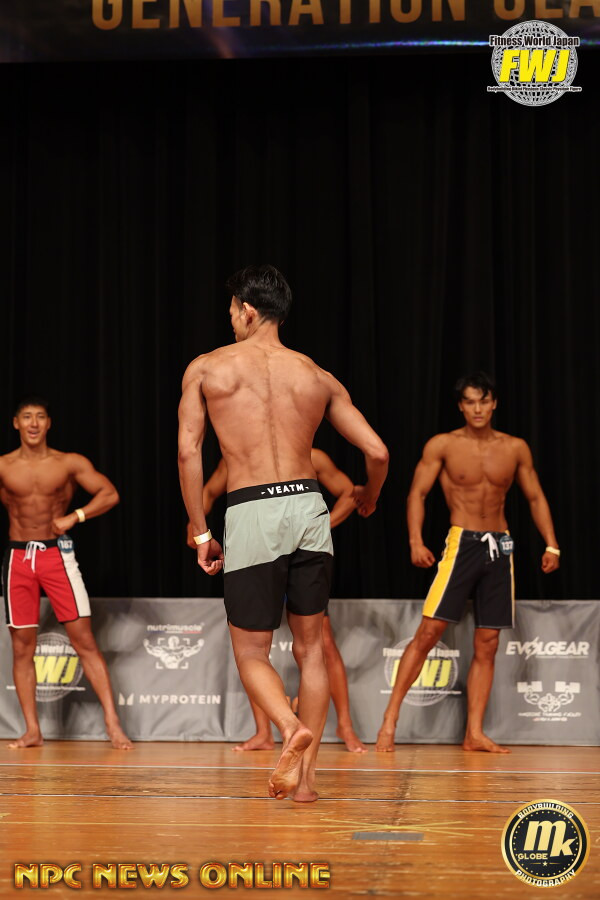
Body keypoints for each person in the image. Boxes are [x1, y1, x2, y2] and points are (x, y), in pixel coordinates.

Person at [178, 265, 388, 801]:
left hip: (253, 509)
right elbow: (377, 452)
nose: (230, 320)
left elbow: (188, 452)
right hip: (309, 506)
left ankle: (290, 728)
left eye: (232, 311)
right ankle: (307, 783)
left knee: (252, 651)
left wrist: (201, 533)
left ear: (248, 310)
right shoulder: (316, 375)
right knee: (311, 649)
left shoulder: (208, 367)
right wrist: (370, 496)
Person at [375, 371, 559, 755]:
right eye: (470, 401)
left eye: (484, 401)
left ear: (494, 404)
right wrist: (415, 541)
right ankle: (389, 720)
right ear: (461, 406)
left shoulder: (515, 448)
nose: (478, 409)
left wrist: (552, 545)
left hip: (501, 546)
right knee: (429, 632)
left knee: (488, 642)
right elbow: (417, 494)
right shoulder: (443, 444)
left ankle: (474, 732)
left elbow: (535, 497)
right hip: (462, 543)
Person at [194, 450, 368, 753]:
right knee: (259, 648)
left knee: (317, 644)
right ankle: (264, 732)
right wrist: (196, 526)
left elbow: (349, 493)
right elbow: (208, 491)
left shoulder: (312, 456)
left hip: (295, 544)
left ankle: (345, 726)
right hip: (264, 543)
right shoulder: (238, 456)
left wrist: (323, 525)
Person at [0, 397, 132, 750]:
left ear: (48, 423)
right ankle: (32, 730)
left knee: (84, 640)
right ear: (16, 423)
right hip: (18, 559)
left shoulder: (68, 462)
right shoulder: (3, 465)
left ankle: (113, 724)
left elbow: (109, 494)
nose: (33, 423)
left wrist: (76, 516)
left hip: (57, 556)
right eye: (27, 417)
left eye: (40, 417)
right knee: (22, 647)